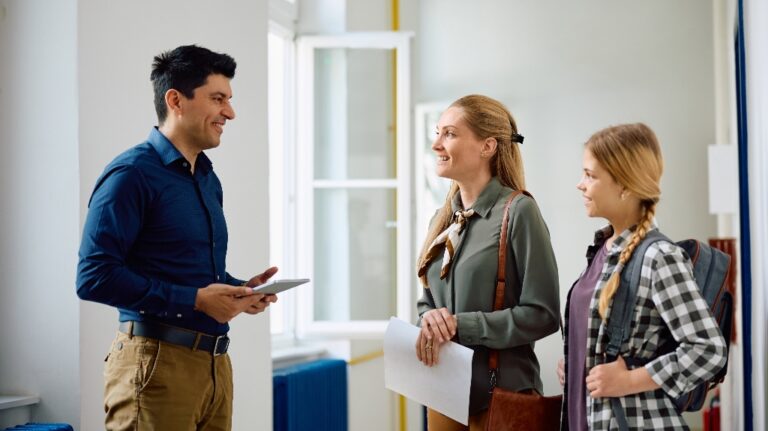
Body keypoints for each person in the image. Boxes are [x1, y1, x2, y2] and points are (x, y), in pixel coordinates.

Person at [76, 45, 278, 431]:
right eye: (218, 99)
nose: (230, 113)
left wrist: (238, 292)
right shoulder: (130, 175)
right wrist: (197, 300)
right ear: (175, 100)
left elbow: (185, 272)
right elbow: (92, 277)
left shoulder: (206, 177)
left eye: (229, 100)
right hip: (154, 367)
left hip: (215, 367)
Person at [557, 123, 727, 430]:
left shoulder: (657, 257)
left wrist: (630, 380)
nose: (580, 185)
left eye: (590, 175)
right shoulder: (602, 250)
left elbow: (708, 349)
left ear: (624, 186)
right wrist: (577, 364)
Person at [415, 94, 561, 430]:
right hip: (444, 392)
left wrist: (460, 325)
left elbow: (544, 315)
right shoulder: (441, 220)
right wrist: (431, 318)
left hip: (502, 395)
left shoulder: (519, 212)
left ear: (488, 146)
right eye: (437, 133)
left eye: (449, 134)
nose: (436, 144)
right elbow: (428, 302)